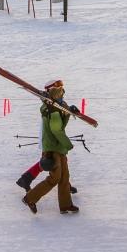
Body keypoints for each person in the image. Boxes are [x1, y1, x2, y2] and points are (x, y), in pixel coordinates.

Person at [22, 79, 79, 215]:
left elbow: (61, 121)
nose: (63, 92)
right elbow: (57, 130)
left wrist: (70, 112)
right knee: (55, 178)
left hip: (58, 147)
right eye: (60, 90)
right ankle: (29, 198)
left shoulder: (59, 104)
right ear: (54, 92)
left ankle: (66, 205)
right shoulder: (51, 109)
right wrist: (68, 144)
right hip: (52, 148)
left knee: (64, 177)